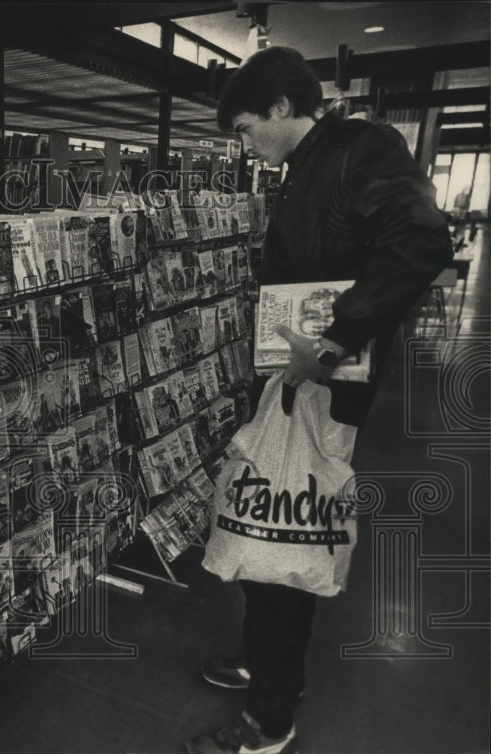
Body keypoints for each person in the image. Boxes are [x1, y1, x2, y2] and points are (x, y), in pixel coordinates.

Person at [185, 47, 452, 754]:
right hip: (296, 379)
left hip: (326, 385)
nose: (244, 144)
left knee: (284, 531)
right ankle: (267, 666)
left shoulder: (363, 149)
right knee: (270, 523)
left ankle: (269, 721)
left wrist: (334, 342)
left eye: (245, 128)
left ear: (279, 109)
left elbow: (422, 243)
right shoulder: (310, 165)